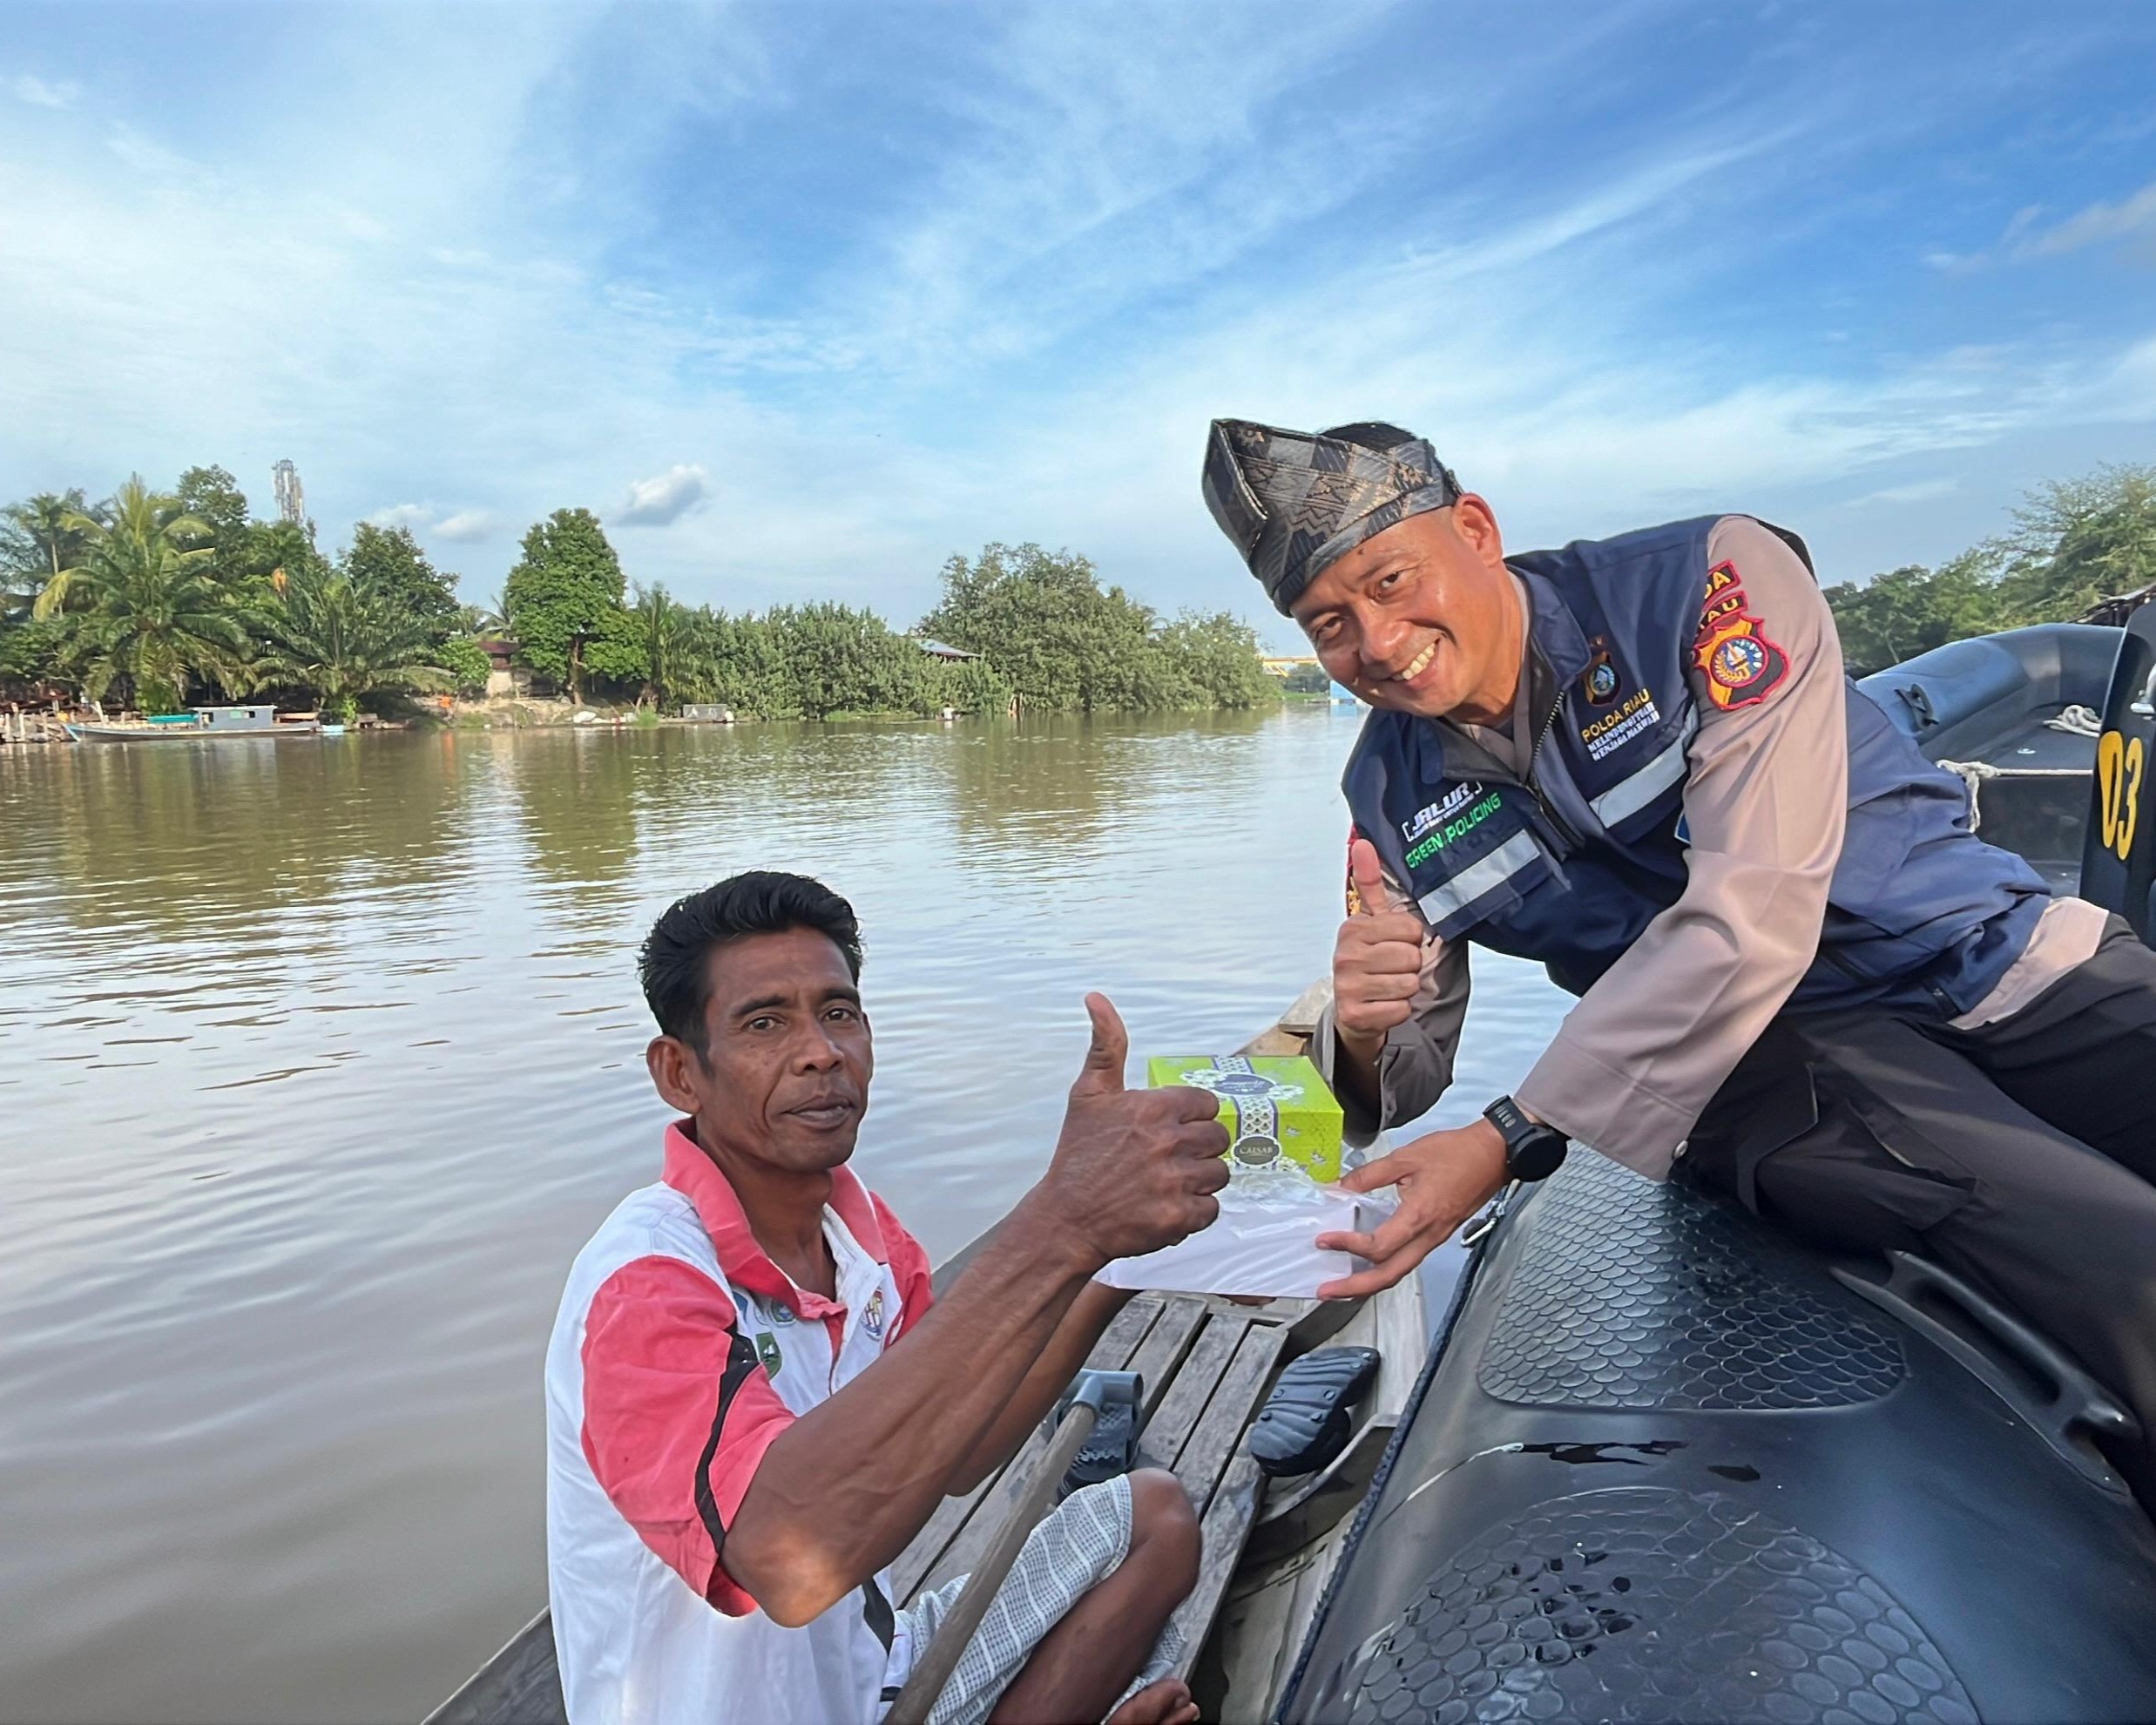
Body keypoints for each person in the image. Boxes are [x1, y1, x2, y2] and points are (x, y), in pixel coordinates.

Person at [1200, 416, 2156, 1499]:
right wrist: (1369, 1029)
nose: (1375, 641)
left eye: (1391, 579)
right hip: (1767, 1068)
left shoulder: (1710, 585)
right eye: (1330, 623)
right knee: (2113, 1257)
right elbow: (1411, 1067)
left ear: (1474, 527)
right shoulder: (1385, 793)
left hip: (1996, 963)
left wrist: (1513, 1134)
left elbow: (1756, 906)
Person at [546, 870, 1229, 1725]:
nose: (821, 1051)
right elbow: (786, 1565)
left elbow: (965, 1447)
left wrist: (1111, 1265)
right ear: (680, 1073)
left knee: (1152, 1522)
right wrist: (1062, 1223)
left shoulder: (860, 1236)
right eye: (766, 1023)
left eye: (839, 1012)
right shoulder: (644, 1281)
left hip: (865, 1680)